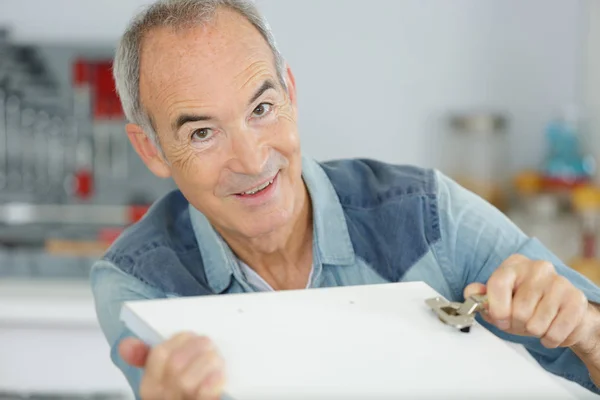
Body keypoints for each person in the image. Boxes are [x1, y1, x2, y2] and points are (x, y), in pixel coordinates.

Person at [91, 0, 600, 398]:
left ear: (290, 92)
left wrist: (583, 328)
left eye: (262, 107)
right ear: (151, 150)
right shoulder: (138, 281)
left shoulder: (428, 214)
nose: (251, 159)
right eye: (202, 133)